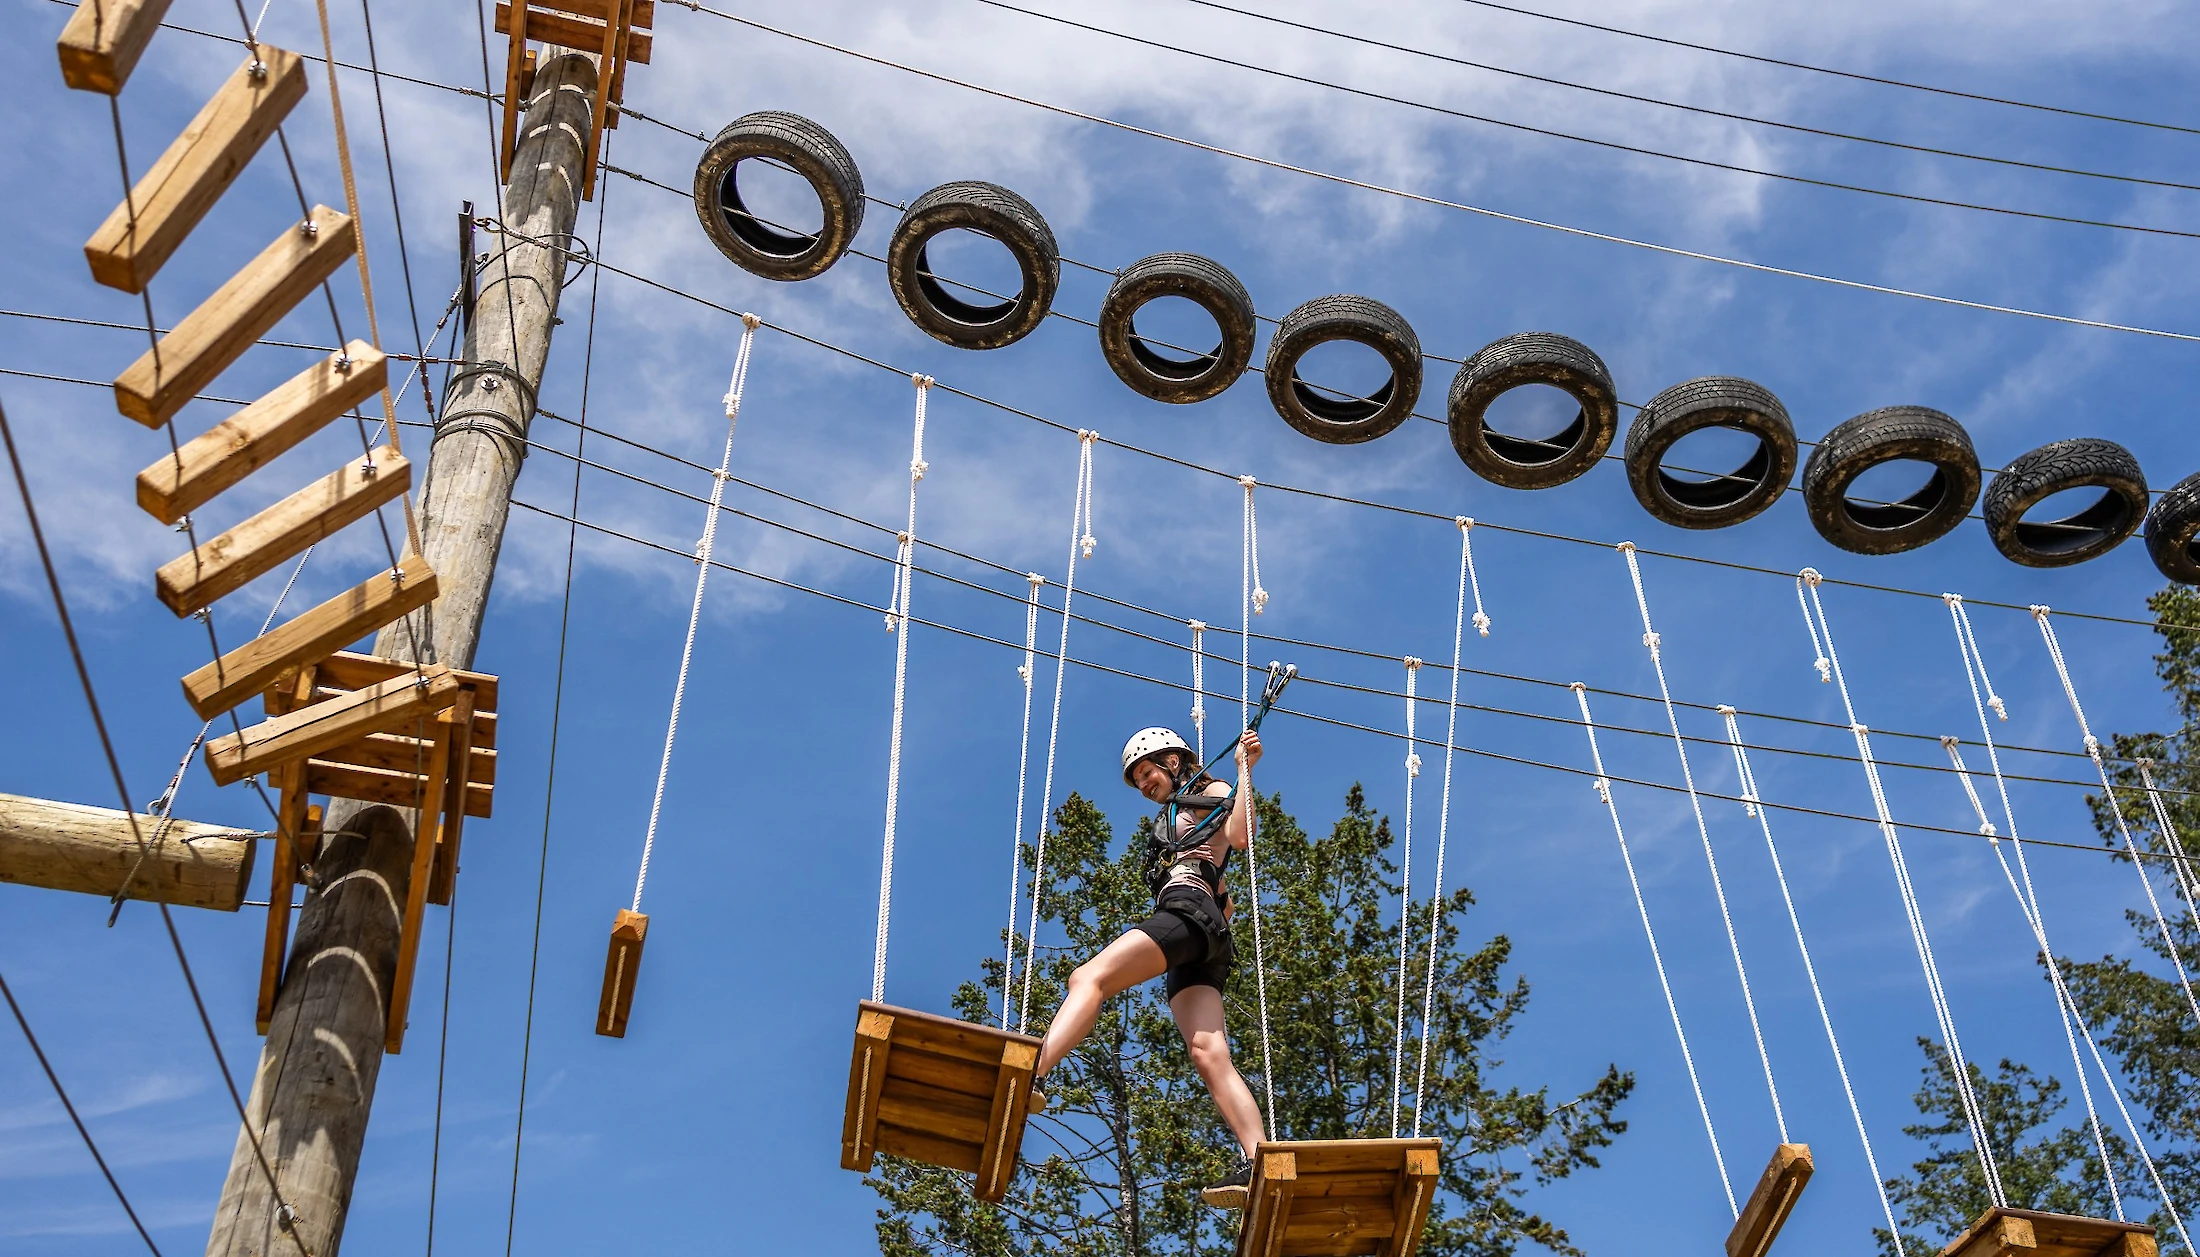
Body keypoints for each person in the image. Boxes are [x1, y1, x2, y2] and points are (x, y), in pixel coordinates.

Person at [1032, 723, 1267, 1208]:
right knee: (1207, 1052)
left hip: (1186, 914)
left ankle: (1033, 1073)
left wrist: (1245, 772)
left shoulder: (1210, 791)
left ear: (1173, 761)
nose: (1143, 784)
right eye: (1137, 778)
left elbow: (1241, 837)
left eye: (1146, 772)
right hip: (1205, 936)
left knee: (1088, 978)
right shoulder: (1175, 812)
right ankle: (1257, 1161)